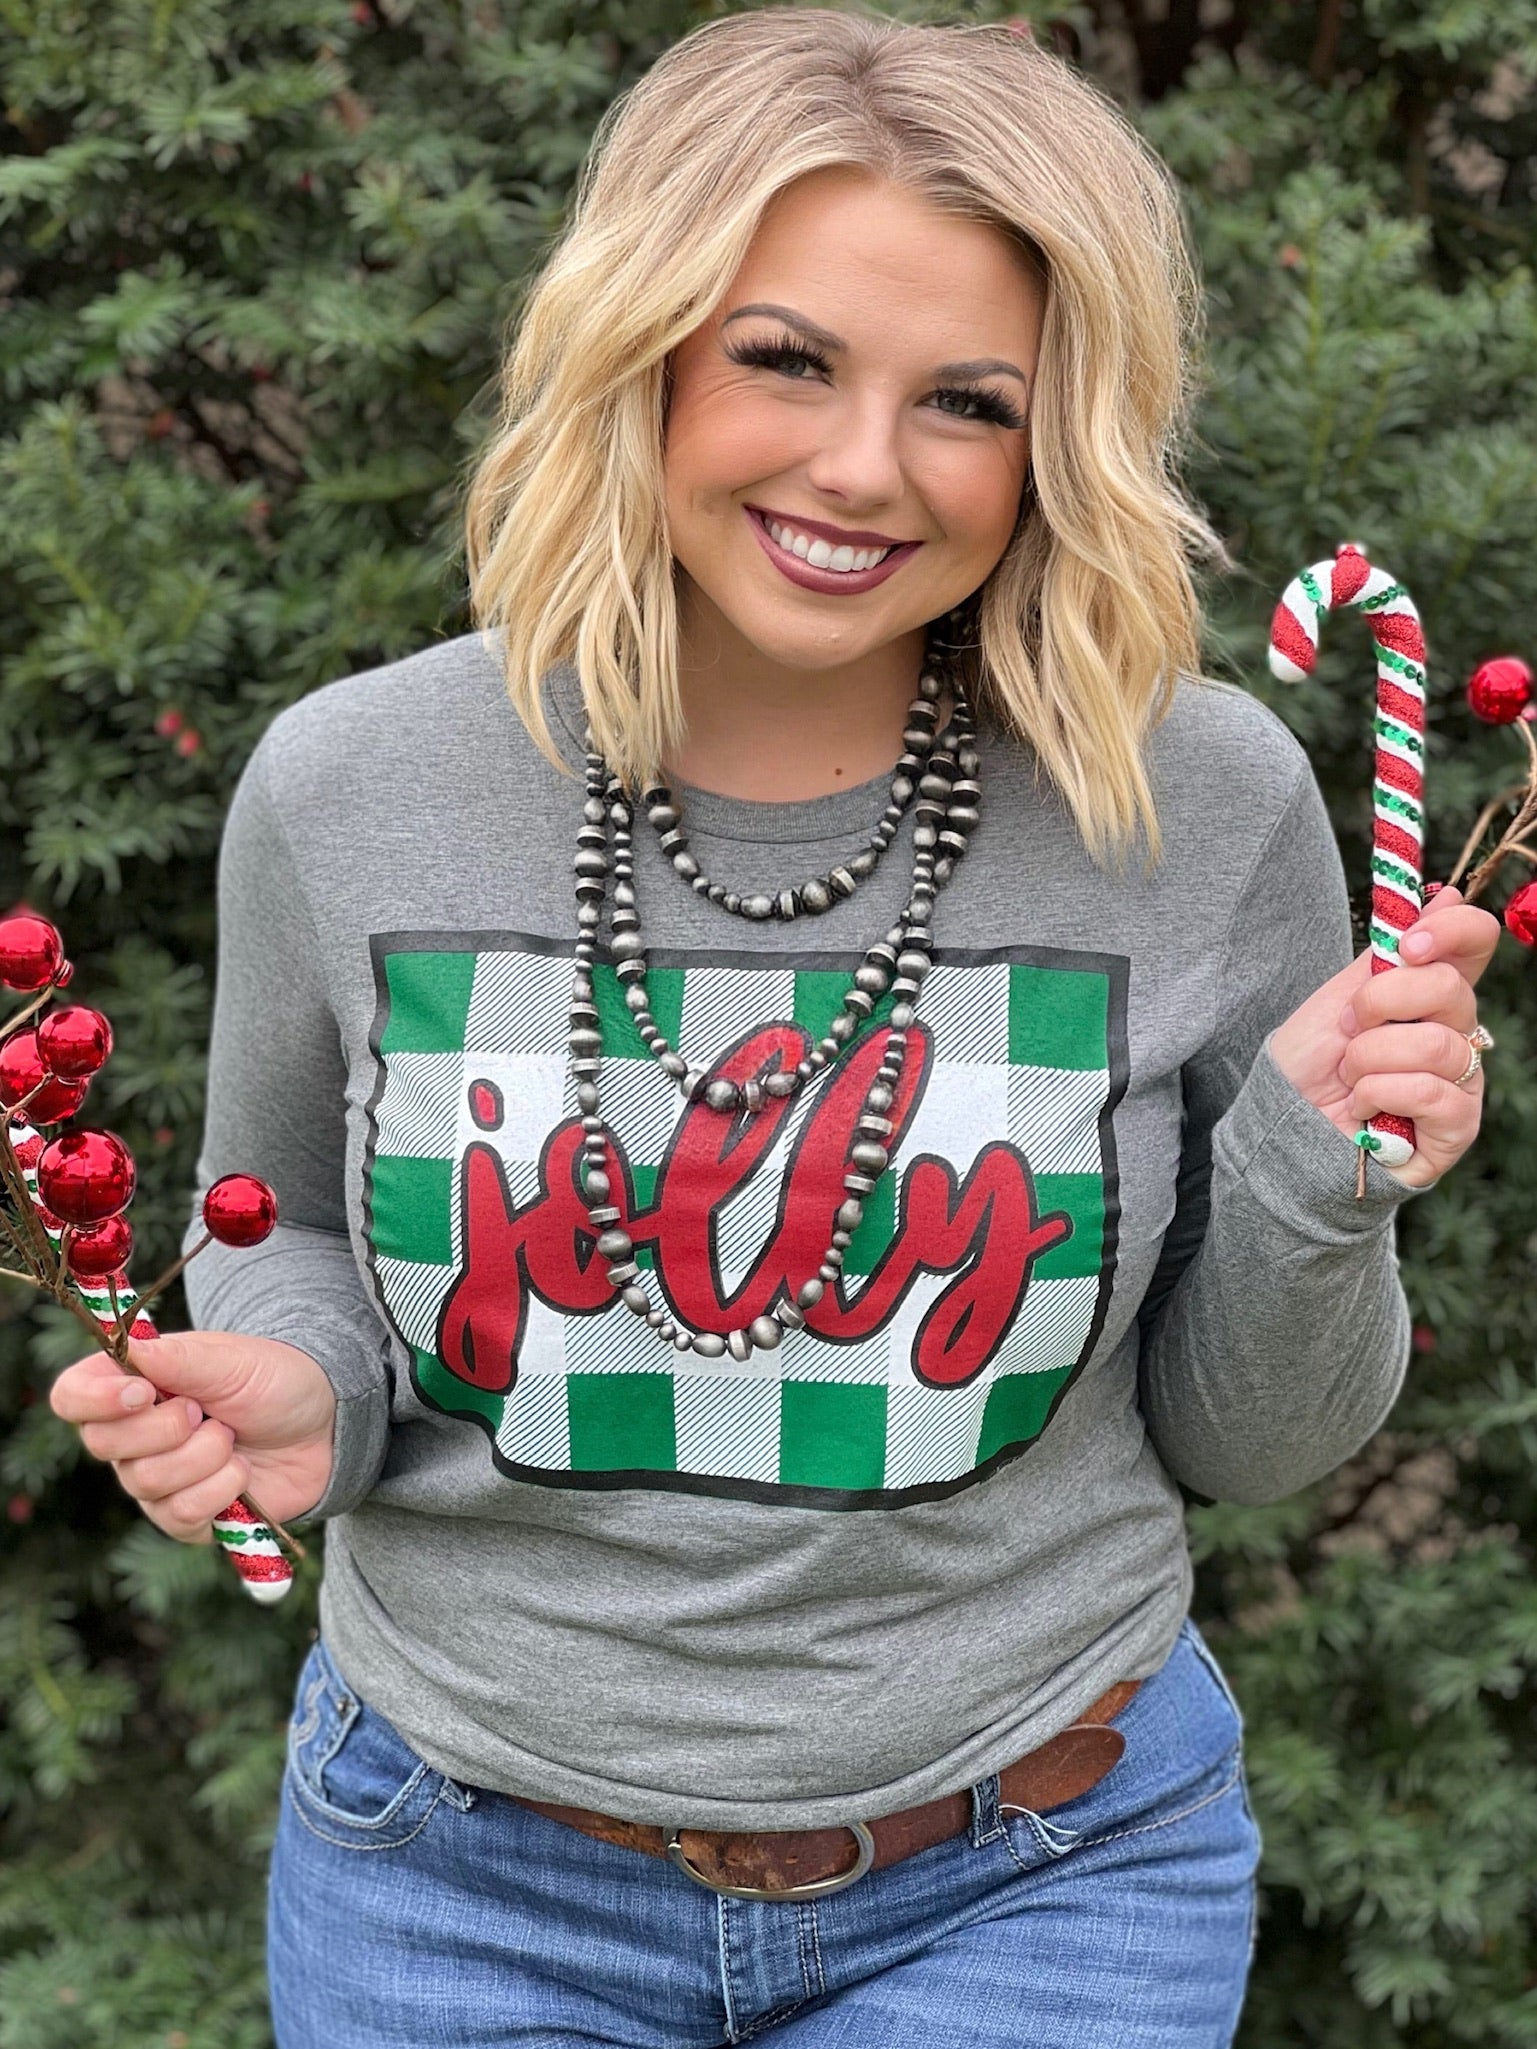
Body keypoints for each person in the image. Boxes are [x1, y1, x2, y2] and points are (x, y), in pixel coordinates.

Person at [50, 11, 1498, 2045]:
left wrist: (1312, 1175)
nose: (861, 466)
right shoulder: (349, 785)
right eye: (786, 359)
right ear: (639, 348)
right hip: (452, 1881)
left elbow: (1247, 1442)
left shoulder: (1197, 799)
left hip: (1043, 1873)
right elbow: (272, 1211)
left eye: (967, 402)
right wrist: (301, 1387)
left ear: (1054, 442)